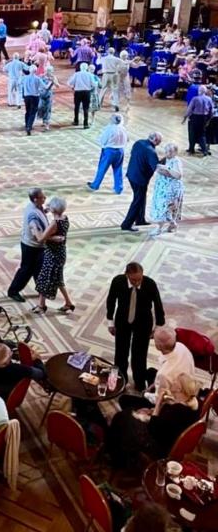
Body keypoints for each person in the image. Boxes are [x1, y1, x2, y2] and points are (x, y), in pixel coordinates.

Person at [106, 262, 165, 391]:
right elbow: (111, 300)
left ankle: (139, 383)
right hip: (122, 321)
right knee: (120, 353)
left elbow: (158, 305)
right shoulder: (118, 281)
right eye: (133, 280)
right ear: (126, 275)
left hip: (143, 323)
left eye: (139, 279)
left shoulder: (150, 284)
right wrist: (110, 322)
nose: (137, 283)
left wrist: (158, 327)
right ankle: (119, 382)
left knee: (139, 355)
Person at [33, 197, 74, 314]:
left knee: (44, 279)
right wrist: (54, 238)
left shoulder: (54, 223)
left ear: (54, 209)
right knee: (58, 279)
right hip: (61, 253)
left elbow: (41, 238)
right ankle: (68, 303)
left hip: (53, 255)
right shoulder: (65, 218)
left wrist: (34, 228)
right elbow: (59, 236)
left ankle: (41, 305)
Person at [7, 188, 49, 302]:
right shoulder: (32, 214)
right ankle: (13, 291)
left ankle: (41, 289)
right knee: (26, 269)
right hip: (31, 246)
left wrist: (46, 211)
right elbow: (36, 233)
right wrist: (50, 237)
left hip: (37, 246)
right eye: (42, 197)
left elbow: (40, 214)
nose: (45, 198)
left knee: (39, 268)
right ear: (35, 199)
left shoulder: (35, 206)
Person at [120, 132, 163, 232]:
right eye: (160, 141)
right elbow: (156, 167)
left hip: (132, 174)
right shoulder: (151, 151)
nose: (160, 143)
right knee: (137, 200)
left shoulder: (139, 143)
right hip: (140, 179)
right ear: (156, 141)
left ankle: (140, 219)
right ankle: (126, 224)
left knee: (141, 197)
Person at [149, 143, 184, 236]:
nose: (167, 153)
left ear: (175, 152)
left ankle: (159, 228)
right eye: (166, 151)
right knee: (164, 207)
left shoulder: (176, 161)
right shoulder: (165, 159)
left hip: (171, 190)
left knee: (165, 207)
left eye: (170, 151)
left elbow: (178, 175)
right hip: (162, 189)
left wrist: (167, 168)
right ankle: (173, 224)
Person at [87, 113, 127, 194]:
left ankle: (95, 185)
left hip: (109, 151)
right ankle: (118, 188)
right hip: (120, 151)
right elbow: (126, 139)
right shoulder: (123, 128)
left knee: (102, 168)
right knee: (118, 169)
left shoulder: (110, 129)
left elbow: (103, 140)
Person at [182, 84, 213, 156]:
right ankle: (204, 150)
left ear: (199, 91)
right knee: (202, 134)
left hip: (195, 118)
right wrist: (208, 119)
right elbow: (211, 111)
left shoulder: (195, 99)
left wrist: (185, 118)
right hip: (204, 118)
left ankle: (191, 149)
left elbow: (189, 109)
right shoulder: (209, 99)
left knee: (192, 133)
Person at [67, 63, 96, 128]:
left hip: (78, 92)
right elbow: (94, 84)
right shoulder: (89, 74)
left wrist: (72, 87)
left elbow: (69, 82)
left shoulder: (77, 74)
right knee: (86, 108)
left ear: (80, 67)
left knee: (76, 107)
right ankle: (85, 123)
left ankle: (76, 121)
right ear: (87, 68)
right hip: (87, 92)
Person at [21, 65, 42, 136]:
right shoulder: (38, 78)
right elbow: (44, 87)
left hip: (27, 97)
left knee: (28, 111)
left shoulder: (24, 78)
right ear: (36, 71)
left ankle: (27, 124)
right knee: (33, 113)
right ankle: (29, 127)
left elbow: (19, 83)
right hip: (35, 97)